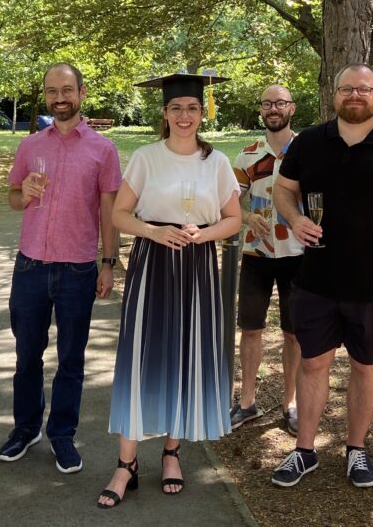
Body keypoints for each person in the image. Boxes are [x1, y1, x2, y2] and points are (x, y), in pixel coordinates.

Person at [269, 64, 373, 489]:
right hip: (316, 281)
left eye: (364, 89)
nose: (355, 96)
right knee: (313, 363)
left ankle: (356, 449)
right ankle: (304, 451)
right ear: (335, 95)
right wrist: (294, 218)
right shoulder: (309, 141)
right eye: (347, 89)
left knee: (366, 365)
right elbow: (283, 190)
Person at [98, 73, 242, 508]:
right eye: (176, 108)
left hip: (197, 267)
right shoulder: (146, 157)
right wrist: (152, 231)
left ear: (203, 114)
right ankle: (126, 464)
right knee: (142, 356)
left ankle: (172, 452)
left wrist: (206, 234)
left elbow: (233, 220)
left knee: (185, 356)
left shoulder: (215, 162)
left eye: (192, 108)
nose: (184, 115)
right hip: (153, 262)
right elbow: (119, 215)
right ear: (164, 113)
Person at [0, 63, 122, 474]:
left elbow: (109, 212)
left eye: (67, 90)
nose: (59, 98)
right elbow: (14, 198)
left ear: (81, 93)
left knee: (71, 358)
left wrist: (108, 263)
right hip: (30, 265)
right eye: (52, 91)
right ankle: (26, 427)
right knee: (26, 354)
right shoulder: (30, 145)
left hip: (78, 269)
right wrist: (24, 193)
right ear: (46, 96)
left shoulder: (103, 149)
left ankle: (62, 434)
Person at [230, 84, 304, 436]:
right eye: (267, 103)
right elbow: (230, 202)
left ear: (292, 108)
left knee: (294, 333)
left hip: (297, 255)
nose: (273, 108)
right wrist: (247, 217)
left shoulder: (307, 151)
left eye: (280, 103)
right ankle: (247, 402)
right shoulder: (247, 155)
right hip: (256, 254)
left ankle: (291, 404)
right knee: (251, 329)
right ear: (260, 110)